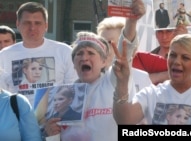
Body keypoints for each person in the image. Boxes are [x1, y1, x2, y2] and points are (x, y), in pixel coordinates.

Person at [43, 1, 145, 140]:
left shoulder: (111, 81)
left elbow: (124, 53)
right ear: (73, 63)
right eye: (79, 54)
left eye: (91, 53)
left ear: (104, 61)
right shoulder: (61, 94)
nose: (84, 57)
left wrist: (131, 22)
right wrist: (50, 134)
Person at [112, 34, 191, 125]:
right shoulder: (151, 93)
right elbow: (124, 121)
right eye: (173, 55)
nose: (177, 62)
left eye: (185, 58)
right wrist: (122, 83)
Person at [0, 2, 77, 95]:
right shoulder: (4, 55)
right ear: (18, 24)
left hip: (54, 109)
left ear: (46, 26)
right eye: (27, 23)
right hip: (17, 109)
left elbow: (73, 90)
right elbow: (2, 96)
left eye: (37, 23)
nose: (32, 27)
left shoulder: (65, 52)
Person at [96, 16, 152, 91]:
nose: (104, 47)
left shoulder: (142, 78)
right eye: (101, 42)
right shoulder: (89, 80)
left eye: (110, 42)